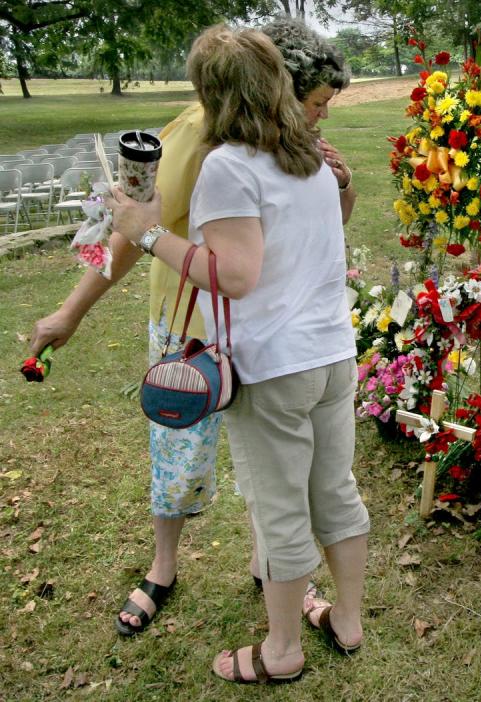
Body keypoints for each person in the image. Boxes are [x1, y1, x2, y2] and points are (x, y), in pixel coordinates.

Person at [27, 17, 356, 638]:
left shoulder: (288, 143)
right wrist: (71, 310)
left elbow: (324, 228)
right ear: (278, 86)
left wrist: (339, 179)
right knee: (181, 451)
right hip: (192, 329)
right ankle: (163, 567)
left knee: (274, 468)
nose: (323, 117)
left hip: (265, 337)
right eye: (316, 103)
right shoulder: (200, 142)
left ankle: (275, 569)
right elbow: (130, 234)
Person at [105, 24, 368, 683]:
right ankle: (347, 621)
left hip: (276, 369)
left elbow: (237, 273)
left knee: (280, 511)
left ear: (211, 92)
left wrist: (145, 233)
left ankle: (280, 653)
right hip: (333, 355)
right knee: (335, 491)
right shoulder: (306, 153)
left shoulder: (228, 165)